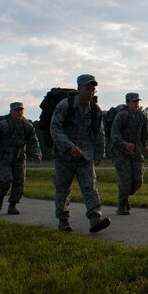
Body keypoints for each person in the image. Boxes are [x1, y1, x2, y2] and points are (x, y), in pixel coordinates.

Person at [50, 74, 111, 233]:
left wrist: (99, 154)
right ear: (79, 89)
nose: (90, 92)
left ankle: (95, 218)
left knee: (90, 186)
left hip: (85, 156)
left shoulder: (96, 111)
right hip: (65, 157)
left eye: (93, 89)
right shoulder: (64, 106)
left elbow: (99, 133)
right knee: (63, 189)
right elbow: (55, 129)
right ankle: (63, 220)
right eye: (87, 89)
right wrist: (69, 146)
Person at [0, 101, 42, 215]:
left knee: (20, 182)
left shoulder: (27, 126)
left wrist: (37, 154)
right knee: (6, 180)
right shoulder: (2, 125)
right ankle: (1, 196)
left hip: (19, 158)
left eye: (21, 110)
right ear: (11, 112)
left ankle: (13, 205)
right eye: (16, 110)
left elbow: (33, 141)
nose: (19, 112)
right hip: (4, 157)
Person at [110, 92, 148, 215]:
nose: (136, 104)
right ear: (127, 103)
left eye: (137, 101)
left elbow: (144, 134)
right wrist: (124, 144)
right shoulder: (121, 116)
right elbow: (114, 134)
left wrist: (145, 146)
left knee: (138, 180)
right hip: (120, 152)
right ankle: (122, 205)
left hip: (136, 151)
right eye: (133, 101)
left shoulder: (141, 116)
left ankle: (125, 194)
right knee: (126, 180)